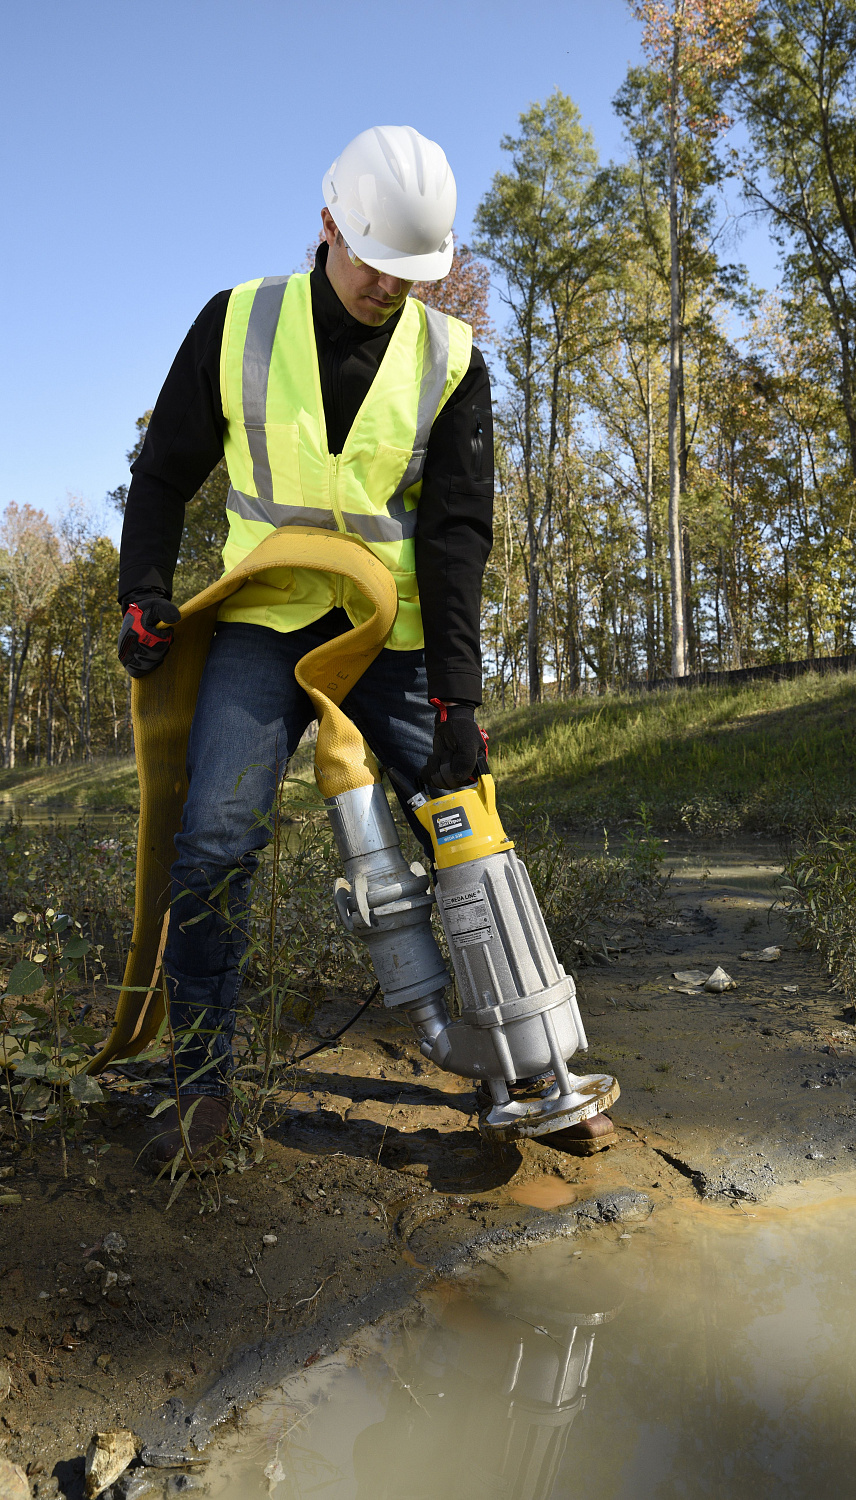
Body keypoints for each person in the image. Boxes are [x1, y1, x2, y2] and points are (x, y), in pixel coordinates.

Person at [117, 125, 613, 1162]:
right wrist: (144, 593)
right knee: (213, 839)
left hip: (391, 631)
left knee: (462, 826)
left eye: (409, 272)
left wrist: (457, 705)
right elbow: (163, 473)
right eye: (373, 262)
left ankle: (528, 1070)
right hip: (265, 623)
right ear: (329, 222)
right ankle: (201, 1080)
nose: (389, 287)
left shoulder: (450, 359)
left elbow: (455, 535)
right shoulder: (239, 323)